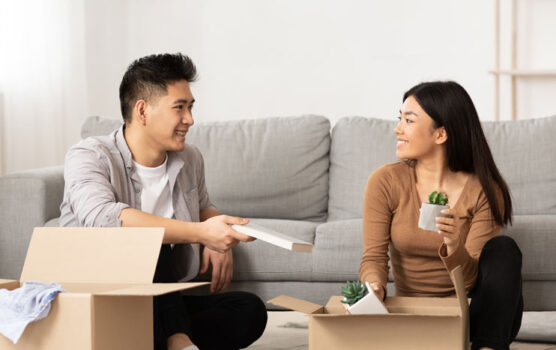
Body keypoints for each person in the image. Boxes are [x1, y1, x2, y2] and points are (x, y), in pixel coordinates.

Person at [60, 53, 267, 350]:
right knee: (146, 241)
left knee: (248, 310)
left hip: (156, 304)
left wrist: (216, 234)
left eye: (191, 107)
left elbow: (204, 206)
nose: (190, 119)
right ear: (142, 111)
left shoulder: (190, 158)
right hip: (99, 299)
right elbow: (103, 218)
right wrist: (202, 232)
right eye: (179, 108)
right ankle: (178, 339)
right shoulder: (89, 155)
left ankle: (160, 337)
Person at [360, 81, 523, 350]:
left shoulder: (484, 189)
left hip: (475, 314)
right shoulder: (385, 181)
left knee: (504, 249)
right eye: (399, 118)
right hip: (415, 313)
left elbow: (471, 280)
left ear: (440, 134)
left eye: (409, 120)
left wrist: (454, 247)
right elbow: (373, 258)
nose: (397, 128)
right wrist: (374, 286)